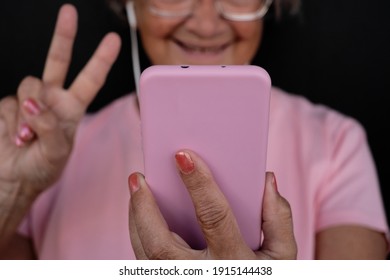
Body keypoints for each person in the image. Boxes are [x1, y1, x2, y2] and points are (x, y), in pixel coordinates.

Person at [0, 0, 388, 260]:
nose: (206, 23)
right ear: (131, 6)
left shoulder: (337, 143)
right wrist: (11, 193)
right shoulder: (49, 152)